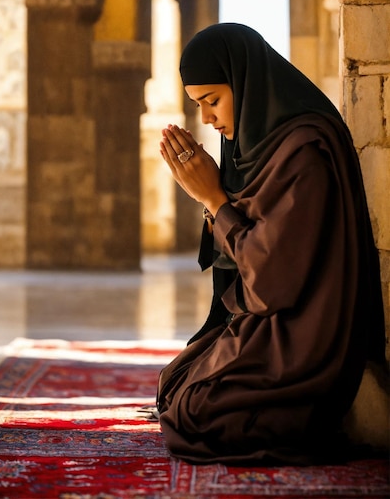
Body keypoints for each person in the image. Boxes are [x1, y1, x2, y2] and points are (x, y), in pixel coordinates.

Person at [157, 23, 386, 465]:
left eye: (212, 101)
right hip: (272, 315)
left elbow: (272, 281)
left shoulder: (304, 150)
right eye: (198, 105)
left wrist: (212, 197)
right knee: (176, 380)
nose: (206, 118)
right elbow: (241, 255)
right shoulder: (257, 145)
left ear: (245, 82)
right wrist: (215, 199)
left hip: (304, 329)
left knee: (195, 413)